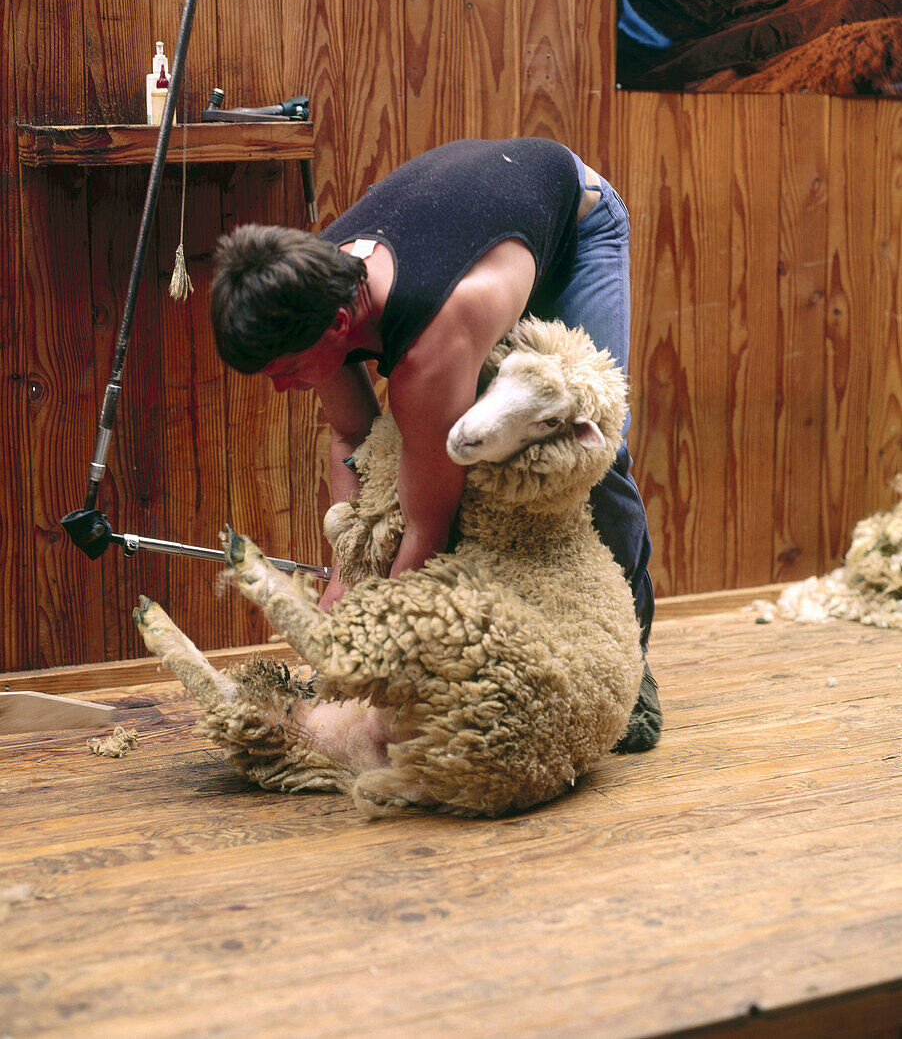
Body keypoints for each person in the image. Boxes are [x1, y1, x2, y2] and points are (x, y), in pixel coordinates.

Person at [210, 137, 661, 752]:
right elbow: (354, 438)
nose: (285, 388)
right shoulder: (313, 291)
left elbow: (427, 528)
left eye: (286, 370)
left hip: (577, 223)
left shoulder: (431, 340)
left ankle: (629, 662)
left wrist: (362, 651)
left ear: (340, 325)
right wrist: (348, 568)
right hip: (480, 219)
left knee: (593, 450)